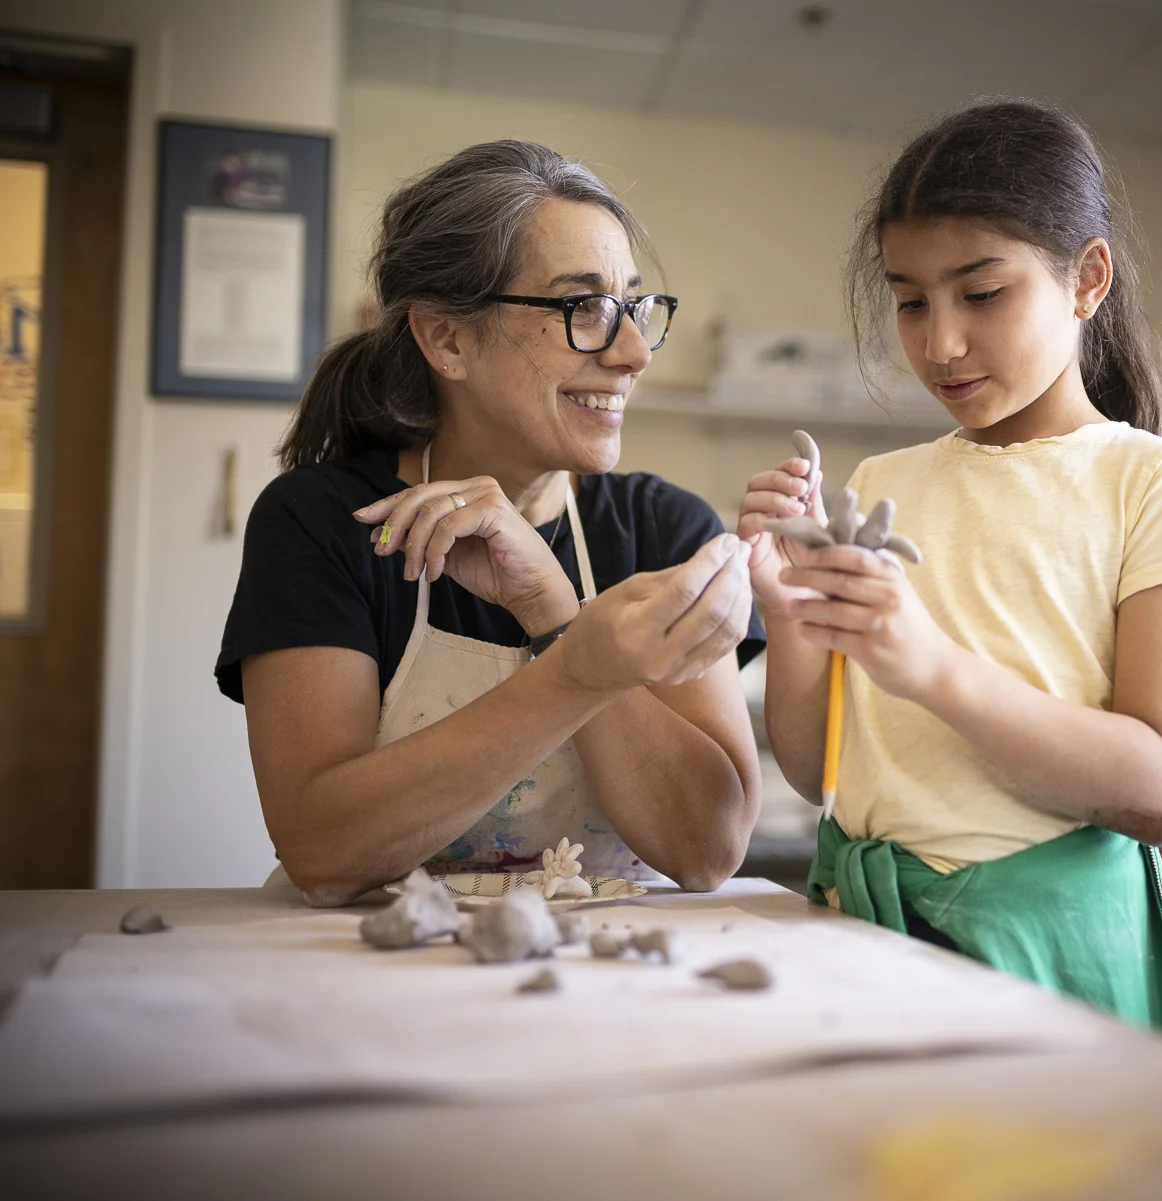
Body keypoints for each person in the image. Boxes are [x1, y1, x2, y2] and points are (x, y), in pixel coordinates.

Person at [737, 101, 1162, 1039]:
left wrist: (930, 666)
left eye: (981, 294)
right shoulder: (881, 482)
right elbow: (821, 771)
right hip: (866, 935)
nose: (940, 342)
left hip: (1048, 953)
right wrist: (790, 618)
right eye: (910, 300)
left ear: (1087, 278)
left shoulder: (1154, 481)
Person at [217, 141, 762, 907]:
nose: (634, 352)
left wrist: (555, 613)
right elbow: (323, 849)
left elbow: (708, 849)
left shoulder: (664, 532)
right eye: (585, 308)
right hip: (367, 985)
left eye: (635, 305)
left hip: (611, 988)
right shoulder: (324, 525)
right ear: (445, 338)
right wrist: (577, 669)